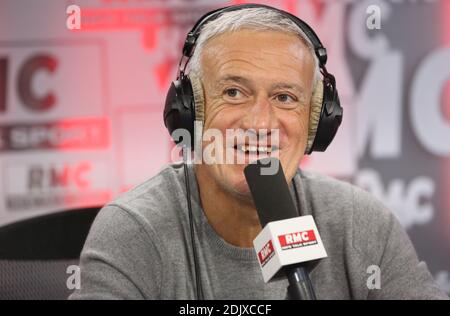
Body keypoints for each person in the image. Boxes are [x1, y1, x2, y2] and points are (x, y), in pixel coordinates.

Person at [70, 5, 448, 299]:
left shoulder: (360, 222)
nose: (259, 122)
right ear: (188, 109)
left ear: (317, 121)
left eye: (285, 98)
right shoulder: (133, 231)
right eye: (234, 92)